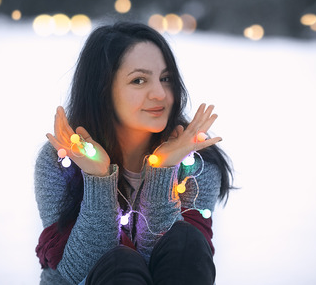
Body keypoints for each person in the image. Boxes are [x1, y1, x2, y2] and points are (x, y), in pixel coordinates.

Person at [34, 22, 233, 285]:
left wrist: (162, 170)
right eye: (139, 80)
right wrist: (98, 176)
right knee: (120, 262)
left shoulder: (196, 160)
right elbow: (78, 272)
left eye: (166, 78)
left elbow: (176, 265)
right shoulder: (62, 160)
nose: (160, 94)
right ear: (102, 90)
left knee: (186, 241)